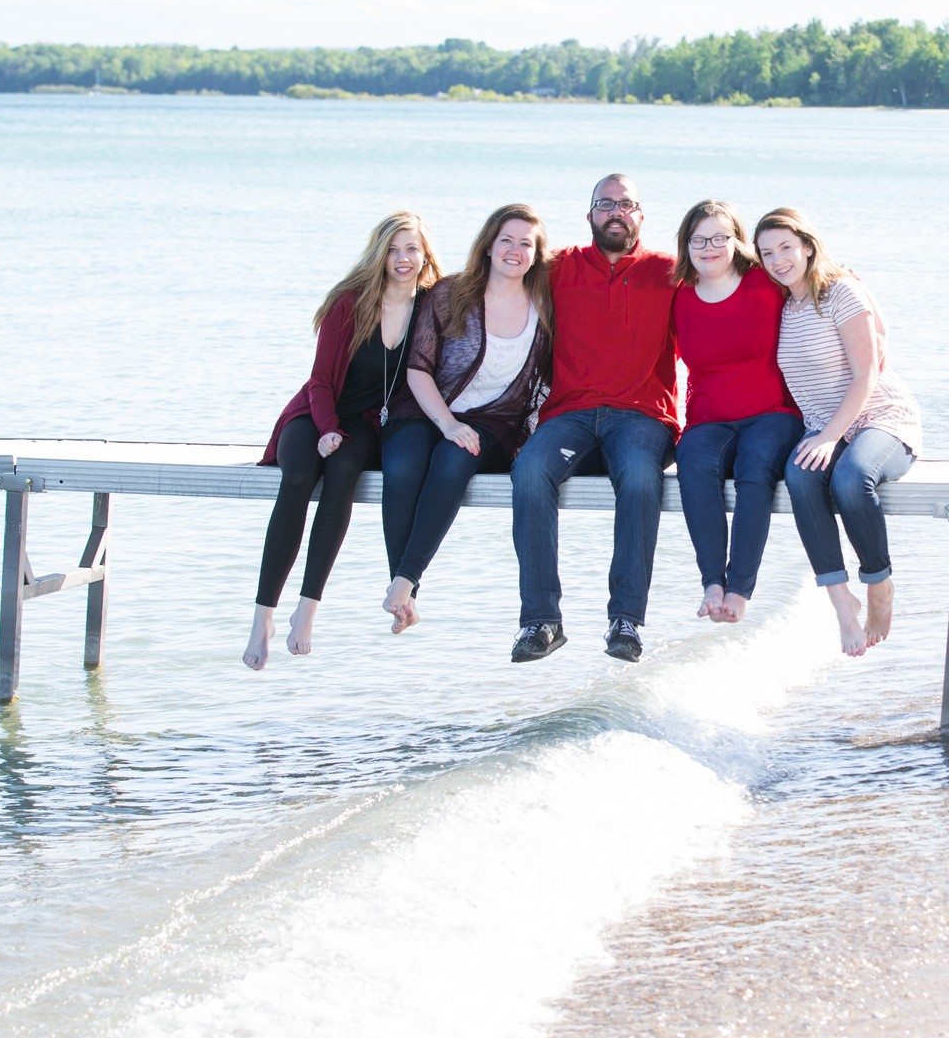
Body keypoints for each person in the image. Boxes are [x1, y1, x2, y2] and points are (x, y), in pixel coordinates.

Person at [246, 212, 442, 670]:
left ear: (425, 254)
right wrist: (328, 427)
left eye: (411, 249)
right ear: (379, 254)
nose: (402, 258)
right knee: (296, 479)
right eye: (393, 249)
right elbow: (318, 380)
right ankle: (262, 618)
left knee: (342, 476)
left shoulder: (432, 307)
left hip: (365, 425)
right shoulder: (350, 302)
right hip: (315, 413)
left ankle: (306, 611)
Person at [507, 173, 679, 664]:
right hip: (572, 414)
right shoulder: (559, 267)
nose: (616, 212)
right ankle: (541, 621)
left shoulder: (670, 272)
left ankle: (625, 620)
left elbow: (732, 281)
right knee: (530, 472)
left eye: (626, 204)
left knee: (641, 481)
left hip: (643, 417)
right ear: (589, 216)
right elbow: (499, 272)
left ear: (641, 216)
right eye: (606, 204)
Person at [754, 207, 922, 657]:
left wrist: (829, 436)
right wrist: (824, 434)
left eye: (787, 247)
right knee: (801, 477)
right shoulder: (784, 304)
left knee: (850, 479)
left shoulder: (841, 292)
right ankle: (839, 599)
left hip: (883, 419)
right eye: (767, 252)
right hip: (827, 427)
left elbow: (867, 375)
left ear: (808, 246)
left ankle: (879, 583)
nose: (778, 259)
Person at [380, 205, 552, 633]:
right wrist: (447, 424)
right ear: (489, 246)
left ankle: (404, 581)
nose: (514, 250)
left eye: (525, 244)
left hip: (495, 424)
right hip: (426, 408)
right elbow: (417, 368)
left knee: (453, 461)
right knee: (402, 466)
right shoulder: (451, 294)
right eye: (506, 240)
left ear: (536, 254)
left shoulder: (546, 309)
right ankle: (404, 589)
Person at [670, 200, 802, 625]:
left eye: (720, 238)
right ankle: (712, 581)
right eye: (699, 239)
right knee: (693, 466)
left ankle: (740, 588)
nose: (710, 247)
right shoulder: (679, 298)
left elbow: (820, 286)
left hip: (773, 413)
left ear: (736, 241)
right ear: (686, 244)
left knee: (755, 469)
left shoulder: (766, 282)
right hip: (709, 419)